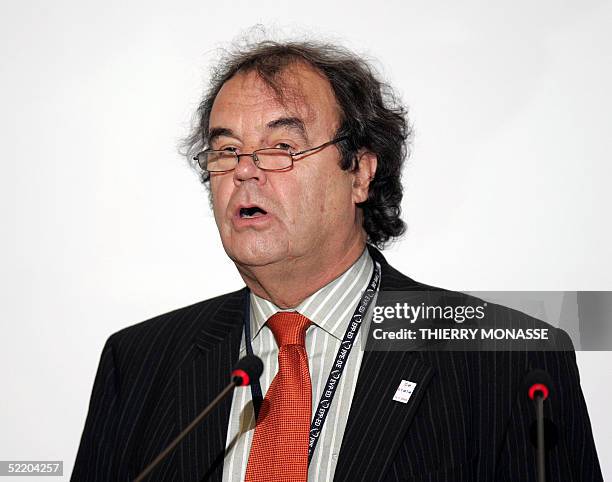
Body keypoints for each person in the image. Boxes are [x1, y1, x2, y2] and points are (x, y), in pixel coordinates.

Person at [72, 39, 602, 481]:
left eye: (282, 147)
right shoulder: (138, 363)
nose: (246, 172)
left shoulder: (506, 364)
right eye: (226, 150)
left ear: (360, 173)